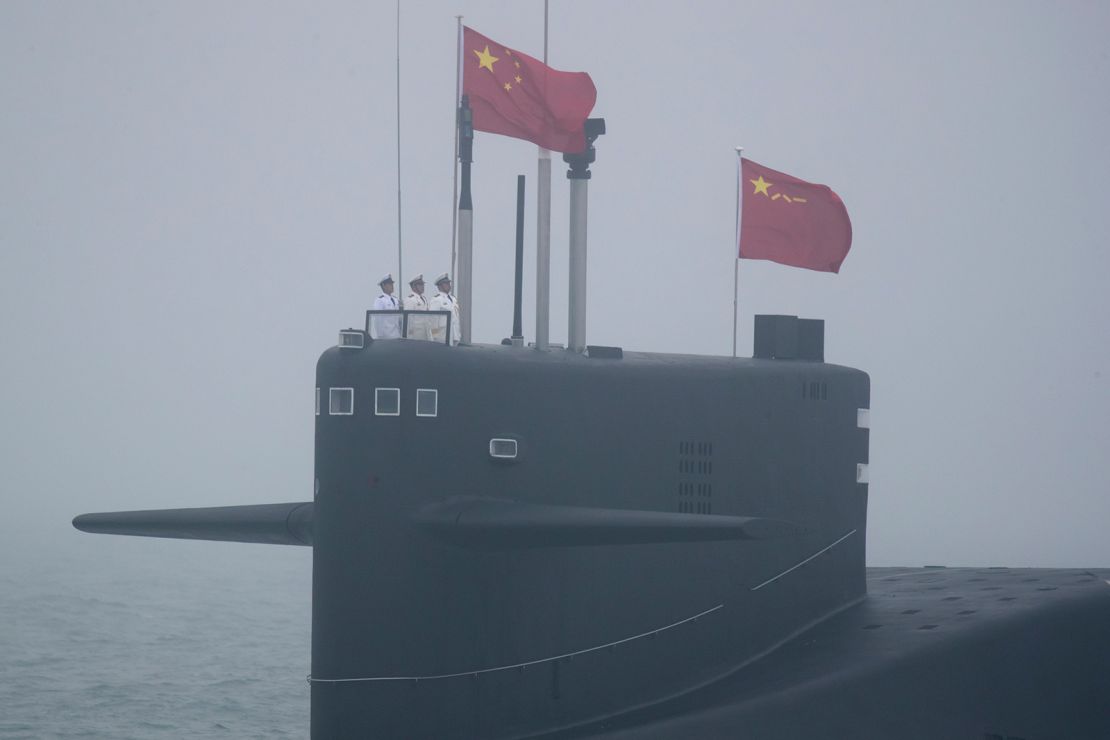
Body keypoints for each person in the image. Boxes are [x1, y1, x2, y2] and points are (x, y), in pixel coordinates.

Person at [428, 273, 460, 345]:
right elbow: (433, 320)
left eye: (449, 283)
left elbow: (456, 318)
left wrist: (458, 334)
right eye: (446, 283)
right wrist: (434, 337)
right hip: (443, 336)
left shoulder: (453, 299)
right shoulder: (436, 300)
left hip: (454, 335)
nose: (449, 285)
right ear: (440, 286)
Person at [371, 274, 402, 339]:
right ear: (383, 286)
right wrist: (380, 336)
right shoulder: (380, 300)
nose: (392, 286)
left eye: (392, 284)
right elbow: (378, 320)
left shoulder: (395, 300)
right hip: (386, 336)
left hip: (397, 335)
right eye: (389, 284)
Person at [402, 274, 431, 340]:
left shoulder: (424, 298)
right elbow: (408, 321)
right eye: (420, 284)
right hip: (416, 336)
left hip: (425, 334)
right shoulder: (410, 300)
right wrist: (410, 337)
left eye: (423, 284)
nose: (423, 286)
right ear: (414, 286)